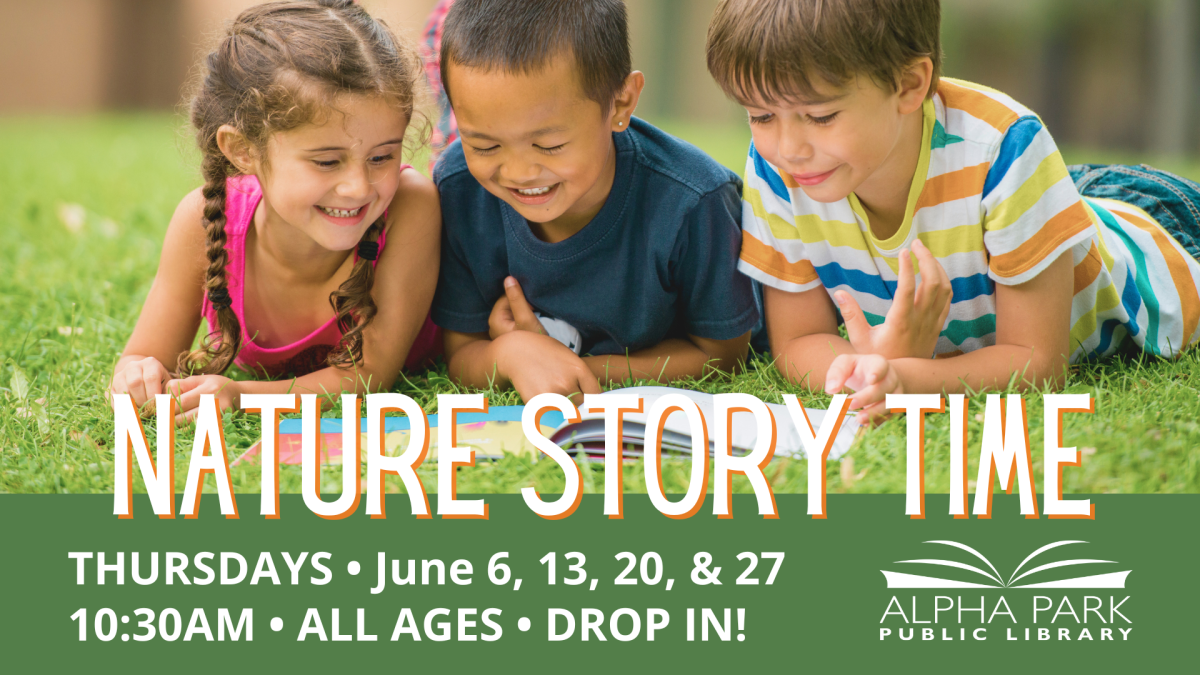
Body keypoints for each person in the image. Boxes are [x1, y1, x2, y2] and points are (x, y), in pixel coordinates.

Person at [706, 0, 1200, 422]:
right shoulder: (777, 169)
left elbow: (1036, 363)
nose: (789, 147)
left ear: (908, 85)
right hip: (1035, 203)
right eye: (761, 116)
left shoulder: (1006, 147)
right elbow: (798, 341)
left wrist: (904, 378)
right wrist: (868, 368)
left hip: (1156, 227)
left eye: (820, 116)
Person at [110, 0, 441, 419]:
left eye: (381, 157)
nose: (358, 187)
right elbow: (142, 358)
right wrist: (137, 377)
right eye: (326, 161)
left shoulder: (410, 205)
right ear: (243, 151)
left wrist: (240, 395)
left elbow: (368, 376)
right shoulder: (205, 220)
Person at [432, 0, 759, 402]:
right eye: (484, 145)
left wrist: (569, 367)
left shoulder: (693, 201)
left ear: (620, 104)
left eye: (549, 144)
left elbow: (722, 356)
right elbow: (462, 351)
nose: (518, 172)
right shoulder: (459, 189)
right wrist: (509, 353)